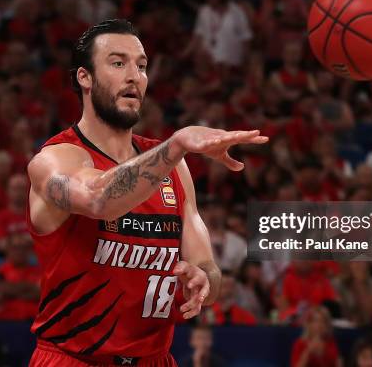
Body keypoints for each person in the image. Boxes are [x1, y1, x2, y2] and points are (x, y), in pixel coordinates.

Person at [26, 19, 268, 366]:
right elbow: (99, 200)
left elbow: (207, 269)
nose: (134, 76)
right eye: (118, 62)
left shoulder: (174, 168)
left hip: (155, 358)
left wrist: (203, 282)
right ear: (85, 77)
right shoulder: (53, 160)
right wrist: (176, 146)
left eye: (141, 66)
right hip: (73, 359)